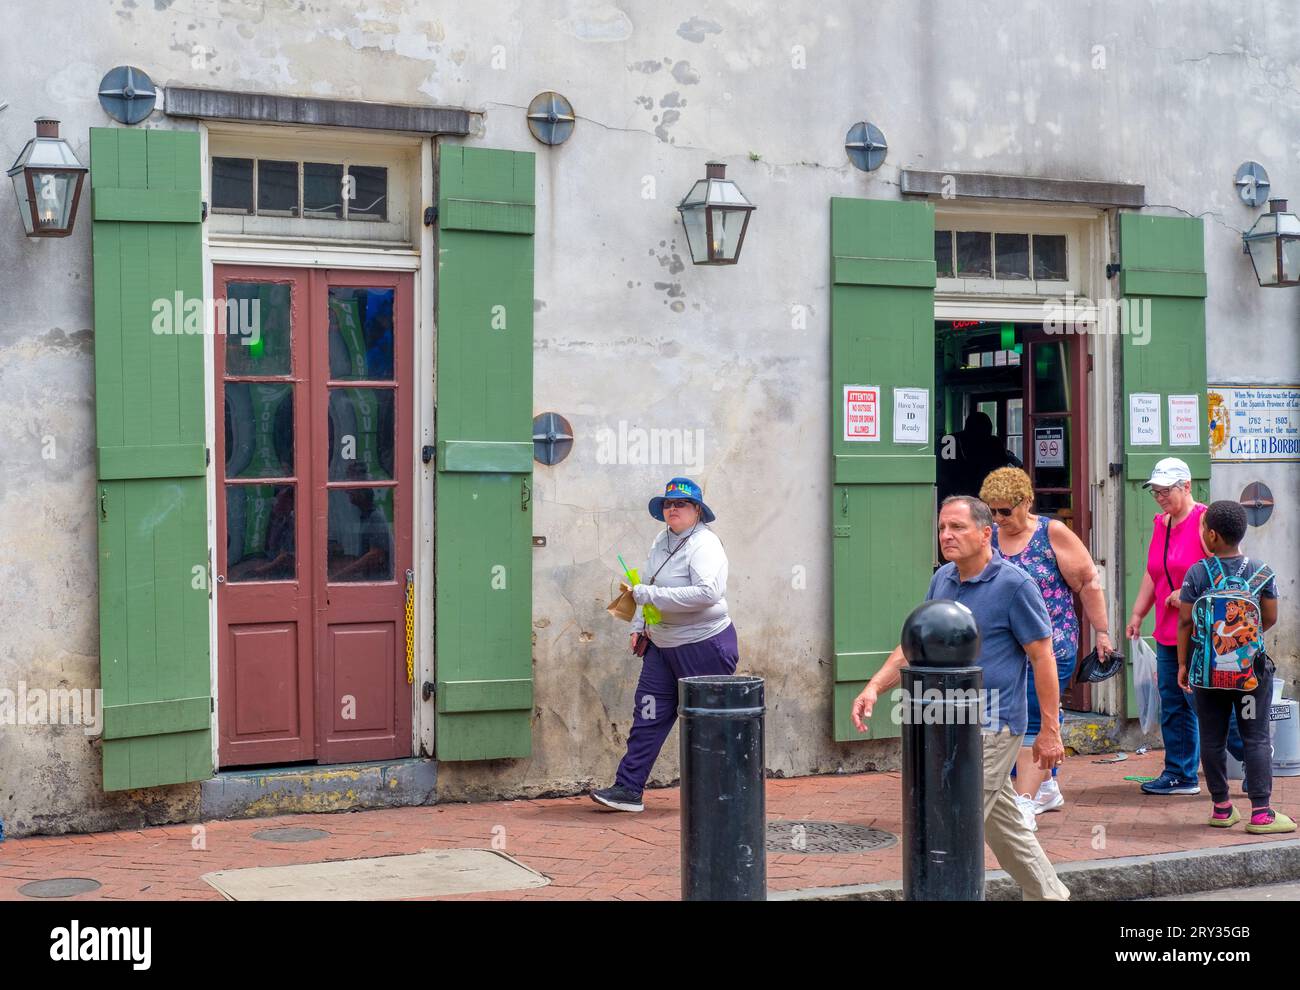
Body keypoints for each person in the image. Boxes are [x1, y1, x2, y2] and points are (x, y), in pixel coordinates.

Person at [850, 496, 1070, 901]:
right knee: (1004, 828)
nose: (946, 536)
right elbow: (916, 643)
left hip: (994, 725)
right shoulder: (944, 579)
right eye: (941, 529)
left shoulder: (1015, 585)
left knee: (952, 827)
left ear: (987, 533)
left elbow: (1043, 657)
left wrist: (1051, 731)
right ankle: (1052, 897)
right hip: (947, 723)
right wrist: (874, 687)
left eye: (957, 527)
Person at [591, 478, 739, 813]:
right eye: (668, 504)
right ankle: (628, 789)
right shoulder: (662, 539)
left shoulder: (705, 545)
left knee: (710, 723)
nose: (672, 509)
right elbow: (648, 583)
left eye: (681, 504)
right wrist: (641, 624)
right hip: (661, 646)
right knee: (647, 716)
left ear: (697, 511)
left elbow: (708, 593)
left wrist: (650, 596)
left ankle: (723, 794)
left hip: (704, 645)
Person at [980, 467, 1113, 823]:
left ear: (1027, 502)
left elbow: (1088, 582)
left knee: (1035, 717)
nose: (998, 518)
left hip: (1051, 644)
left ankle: (1024, 800)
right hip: (1006, 647)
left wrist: (1101, 632)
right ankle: (1047, 787)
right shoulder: (989, 537)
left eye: (1005, 510)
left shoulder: (1051, 533)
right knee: (1008, 717)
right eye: (992, 510)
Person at [1178, 501, 1294, 834]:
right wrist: (1245, 644)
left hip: (1207, 674)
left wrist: (1184, 663)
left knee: (1212, 739)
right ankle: (1261, 814)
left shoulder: (1198, 573)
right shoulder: (1261, 571)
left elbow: (1186, 622)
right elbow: (1269, 618)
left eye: (1203, 529)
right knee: (1255, 738)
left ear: (1212, 535)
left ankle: (1222, 808)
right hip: (1249, 677)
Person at [1124, 458, 1208, 795]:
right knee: (1172, 701)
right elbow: (1152, 570)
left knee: (1204, 702)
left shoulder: (1206, 521)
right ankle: (1180, 772)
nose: (1159, 497)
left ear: (1186, 486)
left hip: (1200, 630)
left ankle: (1252, 762)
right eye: (1155, 492)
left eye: (1166, 490)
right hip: (1169, 629)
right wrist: (1138, 613)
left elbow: (1227, 572)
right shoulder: (1163, 523)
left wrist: (1186, 592)